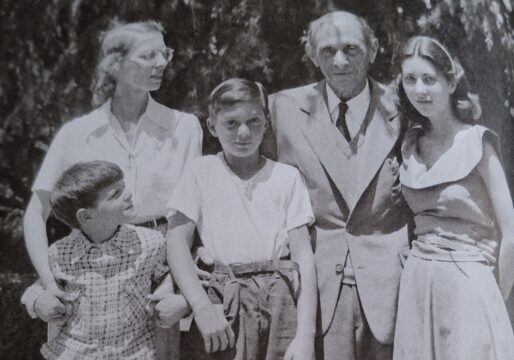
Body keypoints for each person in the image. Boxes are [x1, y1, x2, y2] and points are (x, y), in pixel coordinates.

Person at [21, 19, 201, 359]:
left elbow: (185, 217)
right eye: (149, 55)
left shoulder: (185, 127)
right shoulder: (77, 133)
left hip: (157, 282)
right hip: (86, 289)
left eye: (165, 54)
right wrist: (49, 286)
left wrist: (176, 286)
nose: (162, 63)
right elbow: (35, 213)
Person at [260, 11, 412, 360]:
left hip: (394, 289)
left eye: (352, 49)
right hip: (317, 291)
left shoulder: (405, 108)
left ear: (373, 50)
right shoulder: (281, 110)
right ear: (312, 55)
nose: (340, 61)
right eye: (327, 51)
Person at [166, 78, 317, 359]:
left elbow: (303, 258)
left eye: (253, 121)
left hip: (279, 302)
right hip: (222, 302)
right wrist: (200, 306)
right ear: (212, 126)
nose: (243, 133)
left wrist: (305, 335)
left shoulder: (286, 177)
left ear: (266, 122)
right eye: (231, 123)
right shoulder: (201, 172)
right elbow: (175, 243)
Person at [393, 35, 514, 359]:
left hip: (469, 286)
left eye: (429, 79)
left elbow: (511, 230)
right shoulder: (409, 144)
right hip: (418, 288)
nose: (420, 90)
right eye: (410, 79)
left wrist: (494, 296)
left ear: (450, 81)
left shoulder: (478, 142)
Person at [27, 160, 187, 359]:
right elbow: (39, 288)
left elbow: (175, 278)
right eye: (116, 194)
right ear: (86, 216)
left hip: (135, 354)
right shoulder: (61, 253)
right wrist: (37, 301)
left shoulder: (150, 243)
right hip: (74, 354)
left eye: (123, 187)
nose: (128, 195)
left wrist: (176, 298)